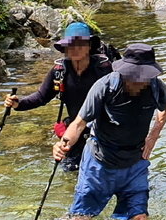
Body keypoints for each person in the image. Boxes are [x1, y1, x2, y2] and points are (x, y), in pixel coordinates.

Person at [53, 42, 166, 220]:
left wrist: (153, 136)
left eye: (143, 77)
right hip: (100, 162)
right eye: (133, 76)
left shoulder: (155, 87)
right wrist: (63, 144)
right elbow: (79, 123)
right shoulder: (104, 87)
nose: (138, 81)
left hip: (135, 163)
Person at [7, 22, 113, 171]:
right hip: (74, 131)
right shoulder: (60, 71)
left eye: (80, 44)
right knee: (70, 173)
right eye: (70, 45)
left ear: (89, 46)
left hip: (102, 132)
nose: (75, 49)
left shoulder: (103, 70)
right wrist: (18, 104)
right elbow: (41, 97)